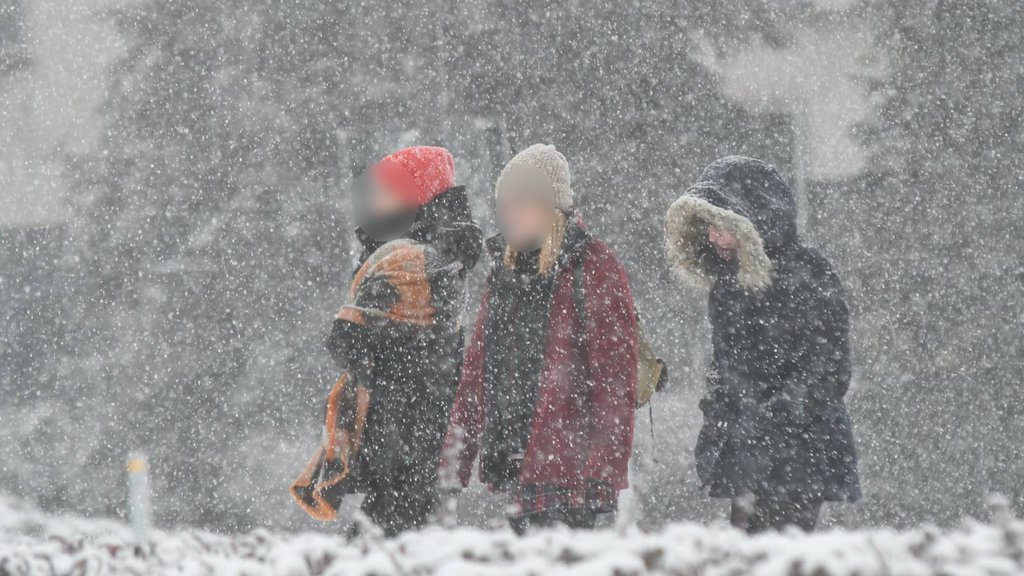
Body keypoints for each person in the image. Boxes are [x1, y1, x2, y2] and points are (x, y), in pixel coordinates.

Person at [440, 144, 638, 534]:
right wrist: (450, 471)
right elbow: (475, 378)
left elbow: (614, 381)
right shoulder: (503, 275)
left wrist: (602, 479)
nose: (509, 215)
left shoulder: (593, 266)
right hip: (519, 474)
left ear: (552, 208)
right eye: (504, 205)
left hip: (575, 483)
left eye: (522, 203)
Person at [292, 145, 482, 536]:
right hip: (414, 441)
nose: (375, 200)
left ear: (417, 198)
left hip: (402, 439)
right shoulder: (441, 256)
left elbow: (347, 339)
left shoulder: (407, 259)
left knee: (381, 547)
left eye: (389, 191)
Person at [665, 156, 860, 533]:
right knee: (751, 554)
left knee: (776, 556)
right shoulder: (728, 283)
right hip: (750, 455)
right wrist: (719, 409)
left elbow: (829, 367)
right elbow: (725, 365)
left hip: (798, 457)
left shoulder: (807, 274)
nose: (714, 238)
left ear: (753, 223)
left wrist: (775, 417)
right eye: (709, 227)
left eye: (724, 227)